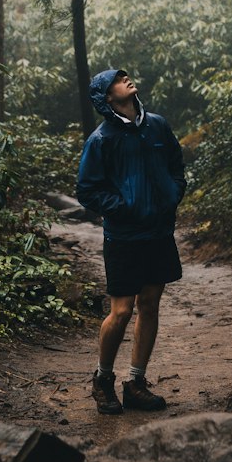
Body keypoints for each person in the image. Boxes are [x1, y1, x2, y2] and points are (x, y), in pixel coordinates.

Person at [76, 68, 186, 414]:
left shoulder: (157, 125)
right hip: (124, 236)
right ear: (108, 98)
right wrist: (123, 208)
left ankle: (136, 383)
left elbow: (176, 165)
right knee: (122, 311)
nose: (127, 80)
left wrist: (172, 195)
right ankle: (102, 379)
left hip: (158, 233)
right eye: (118, 80)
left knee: (150, 304)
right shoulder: (101, 139)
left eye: (126, 77)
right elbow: (87, 190)